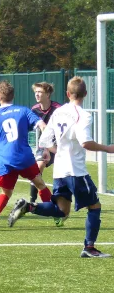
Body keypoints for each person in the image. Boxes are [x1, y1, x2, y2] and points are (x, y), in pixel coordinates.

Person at [8, 76, 114, 258]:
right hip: (76, 171)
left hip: (60, 171)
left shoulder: (58, 112)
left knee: (62, 211)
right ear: (85, 94)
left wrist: (55, 151)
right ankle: (89, 248)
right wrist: (108, 148)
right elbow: (85, 142)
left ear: (67, 93)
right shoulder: (83, 115)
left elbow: (44, 140)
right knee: (94, 207)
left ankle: (29, 207)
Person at [0, 81, 53, 230]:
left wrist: (2, 143)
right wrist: (46, 146)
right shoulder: (23, 111)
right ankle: (56, 216)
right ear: (13, 96)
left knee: (6, 193)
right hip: (24, 158)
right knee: (40, 184)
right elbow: (42, 125)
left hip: (4, 160)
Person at [30, 82, 61, 205]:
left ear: (48, 94)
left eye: (40, 92)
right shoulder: (34, 109)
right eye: (36, 92)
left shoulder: (58, 109)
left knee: (66, 174)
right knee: (37, 169)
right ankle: (32, 200)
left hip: (59, 146)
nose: (37, 94)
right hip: (44, 145)